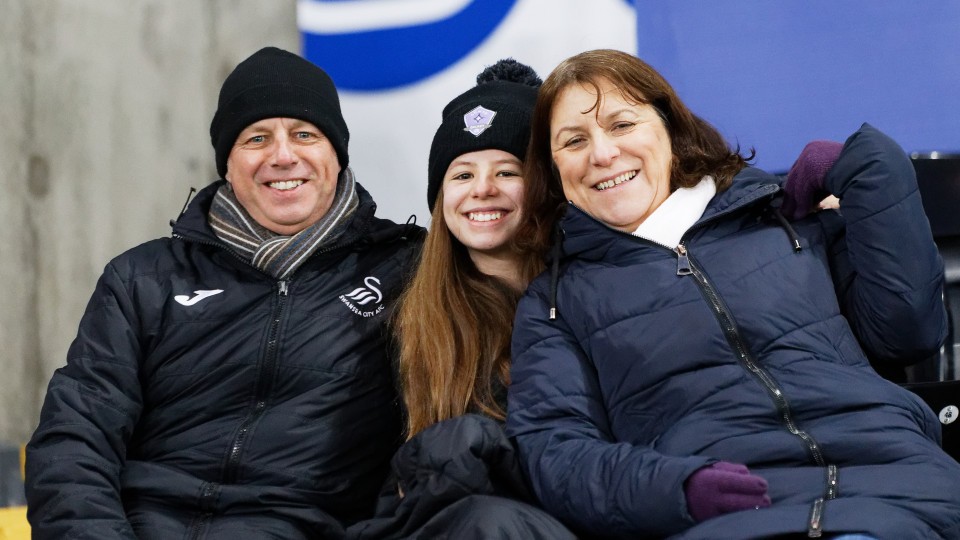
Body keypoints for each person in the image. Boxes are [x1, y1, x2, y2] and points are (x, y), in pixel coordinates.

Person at [506, 49, 960, 539]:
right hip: (733, 518)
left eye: (621, 125)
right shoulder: (555, 301)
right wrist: (678, 489)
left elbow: (909, 331)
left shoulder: (785, 219)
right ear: (553, 172)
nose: (601, 154)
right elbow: (554, 452)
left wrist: (868, 165)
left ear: (668, 128)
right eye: (575, 141)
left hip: (899, 487)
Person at [25, 46, 423, 539]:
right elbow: (74, 440)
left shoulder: (407, 274)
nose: (282, 155)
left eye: (305, 134)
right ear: (227, 165)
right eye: (257, 138)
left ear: (336, 156)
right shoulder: (143, 277)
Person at [345, 59, 575, 539]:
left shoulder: (592, 293)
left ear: (544, 188)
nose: (482, 190)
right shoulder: (406, 319)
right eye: (462, 174)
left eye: (507, 170)